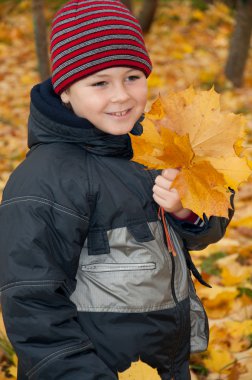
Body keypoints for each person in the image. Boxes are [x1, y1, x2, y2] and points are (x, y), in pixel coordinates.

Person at [0, 1, 234, 379]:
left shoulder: (156, 147)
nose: (121, 96)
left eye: (132, 77)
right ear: (65, 91)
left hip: (164, 364)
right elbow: (32, 307)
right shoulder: (44, 183)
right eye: (99, 83)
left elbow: (215, 216)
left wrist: (185, 210)